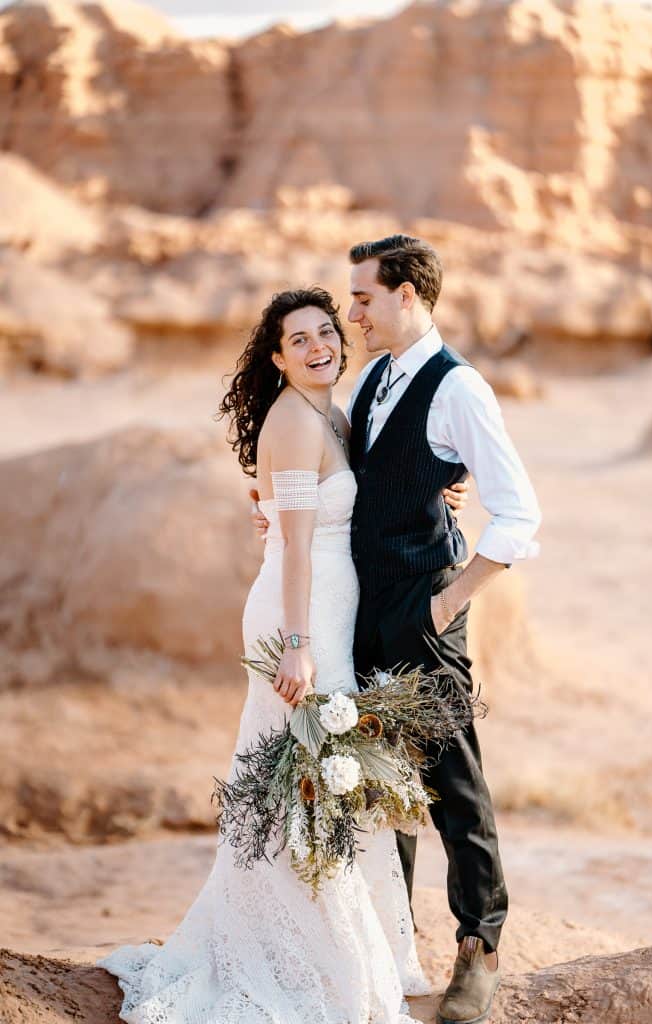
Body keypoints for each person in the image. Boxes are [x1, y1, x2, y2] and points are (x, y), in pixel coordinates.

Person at [96, 286, 430, 1024]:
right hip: (297, 617)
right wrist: (300, 647)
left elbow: (330, 509)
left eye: (325, 333)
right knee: (297, 787)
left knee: (313, 787)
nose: (319, 347)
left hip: (326, 611)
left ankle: (334, 947)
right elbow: (299, 548)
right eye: (299, 341)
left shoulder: (330, 413)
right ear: (277, 358)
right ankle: (302, 958)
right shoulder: (291, 419)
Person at [253, 235, 542, 1024]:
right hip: (358, 617)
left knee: (452, 785)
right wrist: (272, 518)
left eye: (362, 299)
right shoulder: (375, 375)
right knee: (385, 786)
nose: (351, 315)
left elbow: (519, 514)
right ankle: (393, 944)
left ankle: (479, 948)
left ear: (407, 296)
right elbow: (347, 479)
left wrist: (448, 602)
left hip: (421, 612)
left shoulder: (460, 388)